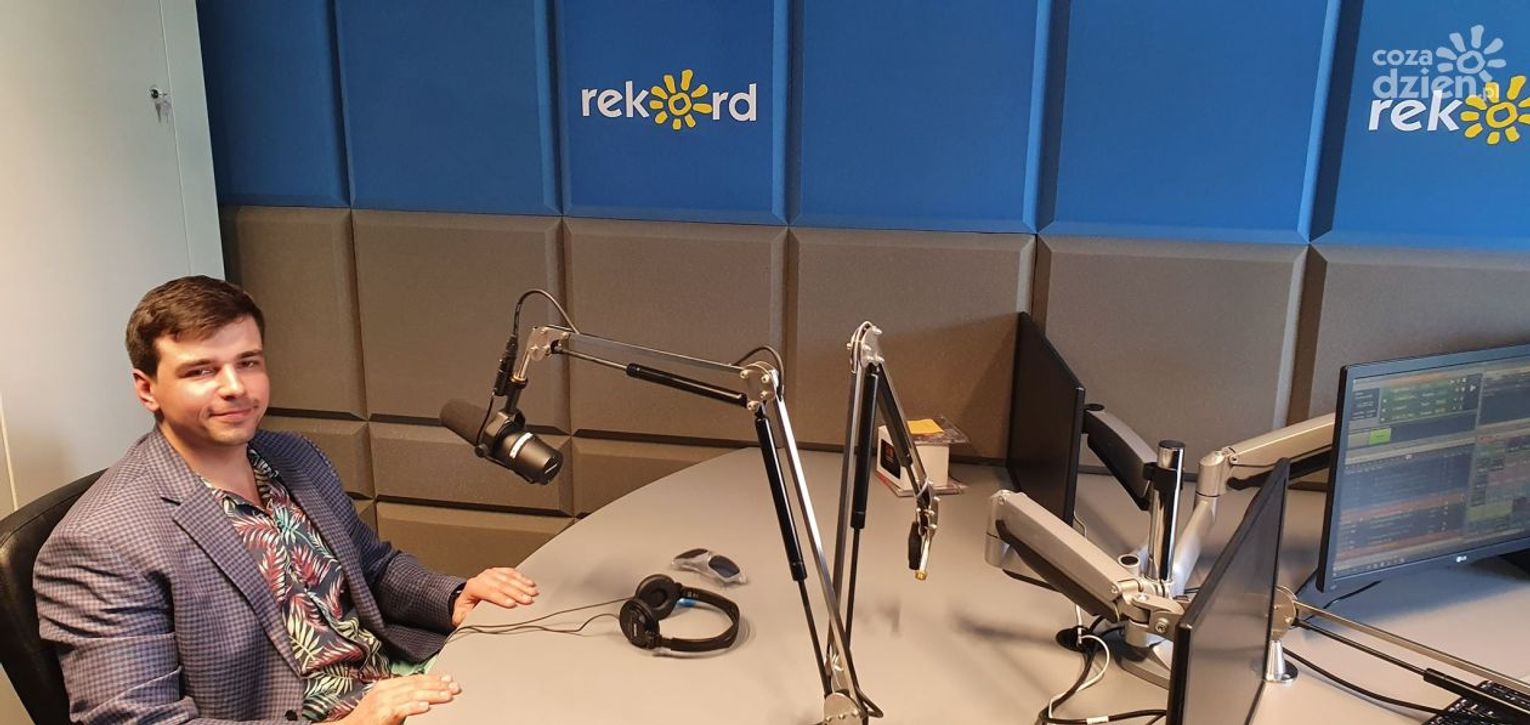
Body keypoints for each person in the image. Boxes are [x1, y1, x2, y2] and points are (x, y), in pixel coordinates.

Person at [35, 275, 539, 723]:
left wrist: (452, 598)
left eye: (248, 362)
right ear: (147, 389)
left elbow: (372, 566)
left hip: (401, 680)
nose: (235, 387)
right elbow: (137, 721)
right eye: (201, 371)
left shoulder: (293, 456)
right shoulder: (100, 541)